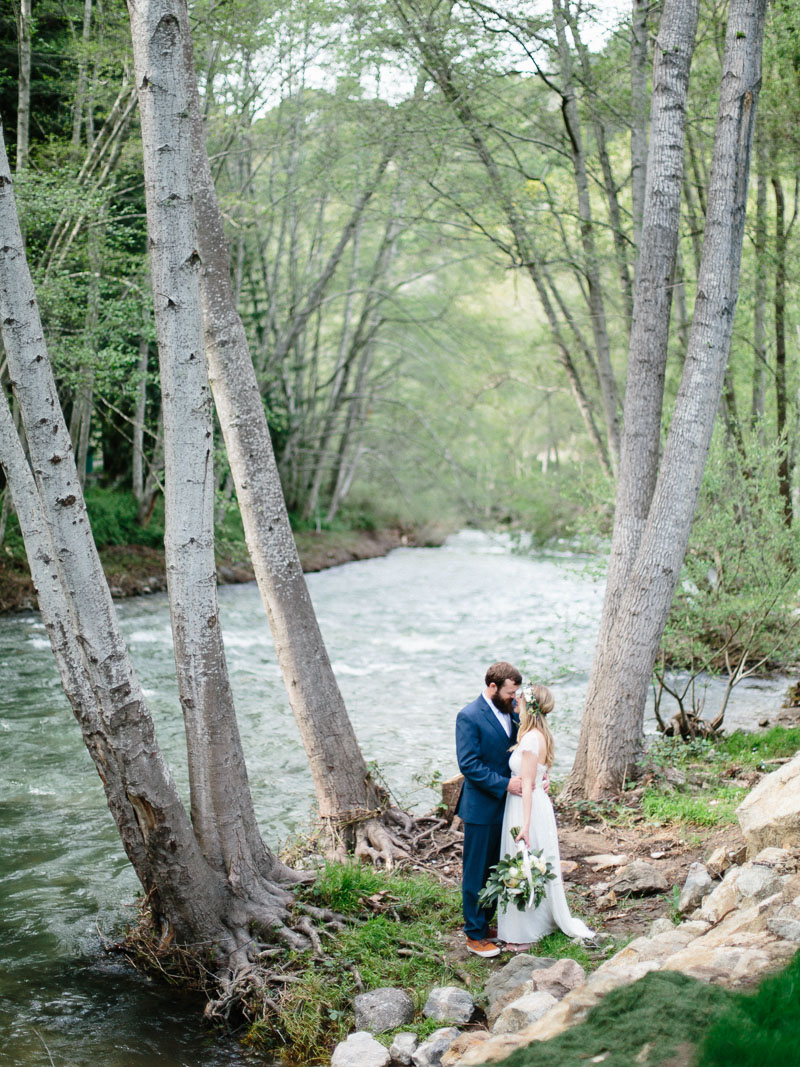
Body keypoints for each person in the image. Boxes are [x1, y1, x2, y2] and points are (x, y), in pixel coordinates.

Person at [497, 683, 594, 950]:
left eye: (519, 701)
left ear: (529, 706)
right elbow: (538, 774)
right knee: (530, 863)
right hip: (532, 803)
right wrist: (543, 779)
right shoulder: (538, 734)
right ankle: (529, 925)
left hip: (525, 807)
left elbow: (527, 785)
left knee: (525, 861)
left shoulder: (529, 738)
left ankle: (526, 932)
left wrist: (525, 826)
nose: (515, 704)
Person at [455, 661, 523, 957]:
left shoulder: (512, 714)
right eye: (510, 692)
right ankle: (473, 935)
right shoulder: (469, 716)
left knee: (498, 866)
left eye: (516, 692)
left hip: (508, 805)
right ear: (492, 687)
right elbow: (469, 765)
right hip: (482, 805)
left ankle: (485, 923)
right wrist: (506, 785)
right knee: (476, 871)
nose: (513, 697)